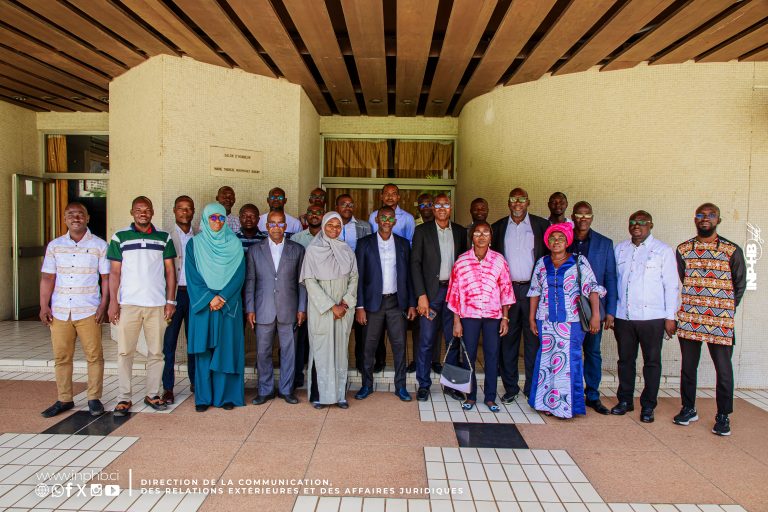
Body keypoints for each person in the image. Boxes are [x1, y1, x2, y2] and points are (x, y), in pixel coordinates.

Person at [674, 203, 746, 436]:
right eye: (700, 215)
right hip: (690, 317)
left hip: (720, 321)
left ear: (718, 220)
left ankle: (723, 415)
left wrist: (723, 309)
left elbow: (739, 284)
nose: (705, 218)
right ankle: (688, 408)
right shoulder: (684, 249)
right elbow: (683, 277)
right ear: (695, 219)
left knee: (723, 370)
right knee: (688, 367)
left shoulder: (731, 250)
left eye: (711, 215)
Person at [39, 202, 109, 418]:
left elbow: (106, 278)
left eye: (80, 214)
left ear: (87, 218)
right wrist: (43, 305)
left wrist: (104, 305)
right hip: (60, 310)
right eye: (71, 214)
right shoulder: (55, 246)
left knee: (94, 356)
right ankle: (64, 399)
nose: (75, 218)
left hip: (89, 309)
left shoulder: (99, 245)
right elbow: (48, 277)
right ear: (64, 219)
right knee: (61, 357)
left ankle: (94, 398)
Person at [108, 196, 177, 415]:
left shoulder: (163, 237)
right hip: (128, 304)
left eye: (146, 209)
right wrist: (113, 302)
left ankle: (152, 394)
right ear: (132, 212)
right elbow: (114, 272)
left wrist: (170, 301)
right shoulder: (120, 237)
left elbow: (170, 271)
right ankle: (123, 397)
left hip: (157, 305)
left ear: (152, 212)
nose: (143, 213)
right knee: (125, 352)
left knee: (156, 353)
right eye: (138, 210)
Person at [527, 223, 603, 419]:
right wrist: (532, 317)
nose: (556, 241)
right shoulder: (542, 263)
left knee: (569, 361)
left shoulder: (578, 261)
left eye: (561, 238)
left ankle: (566, 407)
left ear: (568, 241)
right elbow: (535, 291)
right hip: (546, 319)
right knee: (547, 361)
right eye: (552, 238)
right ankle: (546, 402)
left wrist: (596, 315)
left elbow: (592, 289)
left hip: (572, 321)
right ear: (547, 242)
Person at [610, 211, 679, 423]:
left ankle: (648, 406)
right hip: (624, 316)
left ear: (651, 225)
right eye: (633, 222)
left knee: (652, 362)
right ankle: (625, 400)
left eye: (642, 222)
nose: (636, 225)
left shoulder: (663, 251)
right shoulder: (620, 249)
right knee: (625, 361)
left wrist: (670, 317)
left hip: (653, 317)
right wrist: (611, 312)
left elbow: (671, 285)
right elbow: (613, 281)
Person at [185, 203, 246, 411]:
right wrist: (210, 298)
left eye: (221, 218)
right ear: (205, 219)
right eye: (213, 217)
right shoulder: (194, 244)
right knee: (203, 353)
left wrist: (223, 297)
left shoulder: (235, 244)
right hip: (204, 305)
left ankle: (225, 396)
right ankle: (203, 398)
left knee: (226, 350)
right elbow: (192, 275)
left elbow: (239, 275)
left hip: (228, 305)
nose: (217, 222)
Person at [448, 221, 514, 412]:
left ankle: (490, 397)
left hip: (493, 316)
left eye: (486, 232)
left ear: (491, 237)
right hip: (469, 316)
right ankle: (470, 396)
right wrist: (456, 321)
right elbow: (454, 293)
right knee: (468, 355)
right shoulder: (461, 261)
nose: (482, 236)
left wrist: (505, 318)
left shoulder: (499, 260)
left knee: (492, 355)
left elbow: (506, 290)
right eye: (477, 233)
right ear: (472, 237)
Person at [491, 188, 549, 403]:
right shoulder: (498, 227)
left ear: (528, 202)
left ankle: (532, 387)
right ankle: (511, 387)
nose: (517, 203)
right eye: (514, 199)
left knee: (533, 340)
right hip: (507, 292)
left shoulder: (541, 226)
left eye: (521, 199)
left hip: (534, 291)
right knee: (508, 341)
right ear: (508, 203)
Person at [354, 206, 417, 402]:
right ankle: (366, 385)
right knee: (368, 346)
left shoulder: (403, 244)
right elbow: (358, 277)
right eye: (383, 217)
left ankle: (401, 387)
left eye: (390, 218)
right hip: (373, 303)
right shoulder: (364, 243)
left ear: (395, 222)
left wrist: (412, 304)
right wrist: (359, 306)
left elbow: (409, 276)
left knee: (399, 346)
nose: (387, 221)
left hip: (397, 302)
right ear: (377, 220)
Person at [246, 211, 307, 405]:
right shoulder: (255, 250)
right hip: (263, 308)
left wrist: (302, 308)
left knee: (289, 352)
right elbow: (250, 281)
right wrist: (250, 309)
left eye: (280, 223)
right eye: (272, 223)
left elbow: (302, 282)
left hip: (289, 308)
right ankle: (265, 390)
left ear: (286, 227)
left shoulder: (297, 249)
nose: (276, 227)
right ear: (266, 227)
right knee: (263, 352)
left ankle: (286, 390)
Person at [411, 193, 468, 401]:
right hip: (431, 295)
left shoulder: (461, 232)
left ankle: (451, 385)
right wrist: (421, 295)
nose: (442, 208)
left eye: (446, 204)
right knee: (426, 340)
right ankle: (423, 384)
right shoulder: (422, 231)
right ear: (433, 209)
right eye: (438, 205)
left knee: (453, 340)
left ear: (451, 208)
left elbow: (465, 263)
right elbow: (415, 264)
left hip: (453, 294)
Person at [300, 212, 358, 409]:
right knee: (321, 349)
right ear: (323, 226)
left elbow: (354, 278)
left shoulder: (346, 249)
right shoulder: (313, 250)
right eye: (330, 225)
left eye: (338, 225)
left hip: (343, 309)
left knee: (340, 351)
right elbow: (310, 281)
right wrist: (331, 306)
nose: (334, 229)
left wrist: (345, 303)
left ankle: (340, 395)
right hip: (322, 309)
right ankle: (319, 396)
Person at [567, 201, 617, 415]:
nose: (583, 218)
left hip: (593, 309)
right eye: (579, 215)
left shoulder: (604, 243)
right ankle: (571, 393)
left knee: (593, 352)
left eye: (587, 215)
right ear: (573, 217)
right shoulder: (564, 239)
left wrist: (610, 311)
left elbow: (610, 277)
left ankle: (593, 395)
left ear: (592, 218)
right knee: (569, 352)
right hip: (568, 309)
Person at [162, 196, 198, 404]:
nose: (185, 212)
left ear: (193, 211)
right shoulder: (165, 237)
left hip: (194, 295)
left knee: (194, 341)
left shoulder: (200, 237)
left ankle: (195, 381)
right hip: (173, 296)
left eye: (189, 208)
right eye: (181, 208)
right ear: (174, 211)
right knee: (169, 343)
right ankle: (168, 387)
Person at [336, 194, 375, 372]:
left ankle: (361, 363)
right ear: (336, 206)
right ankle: (339, 364)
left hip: (358, 280)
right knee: (338, 325)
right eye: (343, 204)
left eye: (350, 204)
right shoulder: (331, 226)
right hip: (336, 281)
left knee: (360, 325)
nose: (347, 207)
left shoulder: (364, 226)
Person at [290, 205, 324, 391]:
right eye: (311, 212)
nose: (315, 215)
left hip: (324, 296)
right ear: (306, 216)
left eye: (319, 212)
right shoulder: (296, 239)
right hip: (300, 294)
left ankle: (318, 378)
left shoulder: (330, 238)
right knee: (299, 338)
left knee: (319, 339)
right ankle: (297, 376)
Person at [407, 193, 441, 374]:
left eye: (429, 204)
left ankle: (435, 360)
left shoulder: (442, 226)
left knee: (437, 325)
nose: (426, 207)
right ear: (418, 208)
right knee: (418, 326)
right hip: (418, 281)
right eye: (422, 205)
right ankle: (416, 359)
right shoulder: (414, 226)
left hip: (437, 284)